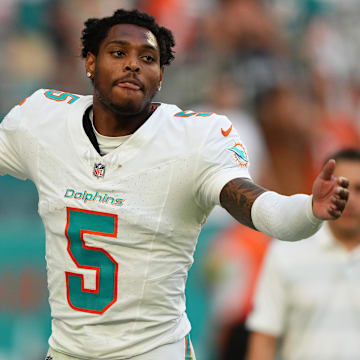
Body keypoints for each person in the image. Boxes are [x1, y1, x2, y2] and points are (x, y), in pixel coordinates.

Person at [0, 8, 349, 360]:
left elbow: (258, 206)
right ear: (90, 63)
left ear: (161, 76)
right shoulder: (43, 122)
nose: (133, 65)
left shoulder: (191, 140)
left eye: (148, 58)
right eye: (119, 53)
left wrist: (307, 209)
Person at [245, 149, 360, 360]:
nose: (349, 199)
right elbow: (264, 339)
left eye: (359, 189)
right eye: (341, 187)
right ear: (323, 187)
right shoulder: (287, 251)